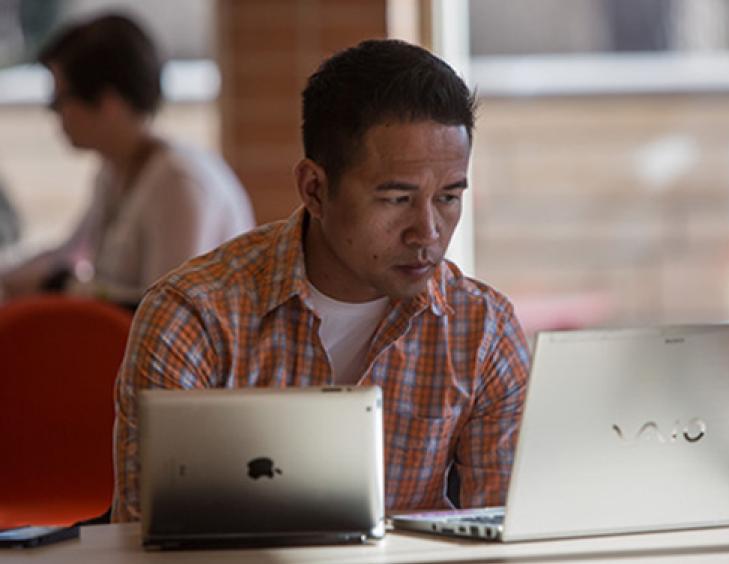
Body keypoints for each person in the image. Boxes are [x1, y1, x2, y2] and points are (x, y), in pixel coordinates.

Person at [111, 39, 530, 522]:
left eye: (449, 197)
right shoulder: (194, 318)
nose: (428, 232)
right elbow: (146, 539)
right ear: (315, 189)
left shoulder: (482, 330)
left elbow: (508, 533)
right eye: (396, 199)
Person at [0, 13, 254, 309]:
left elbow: (170, 310)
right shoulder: (115, 169)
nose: (54, 115)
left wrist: (62, 287)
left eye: (58, 101)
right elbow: (70, 252)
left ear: (108, 103)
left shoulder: (179, 183)